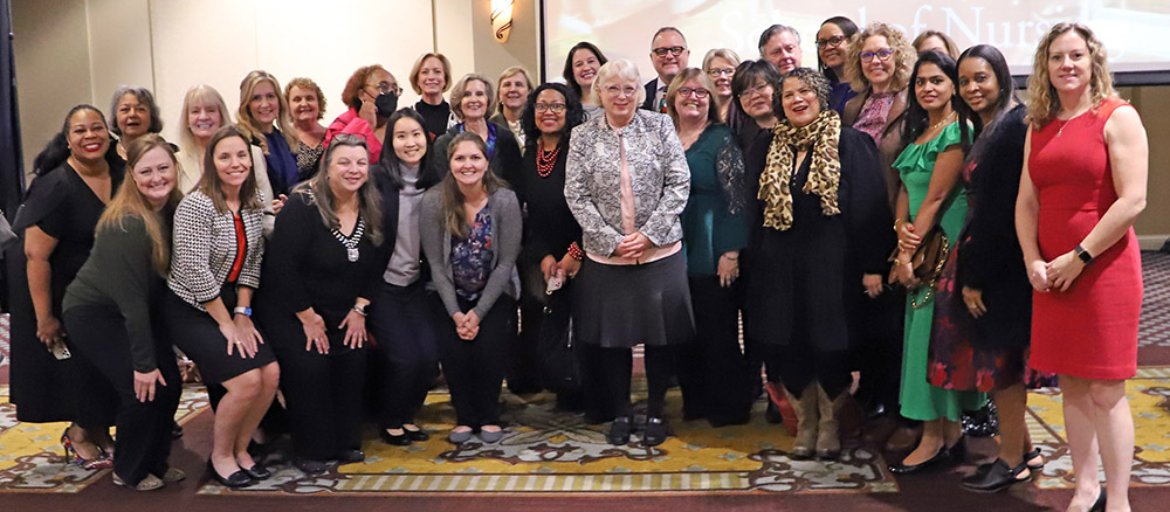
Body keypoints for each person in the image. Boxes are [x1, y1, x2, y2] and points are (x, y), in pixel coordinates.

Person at [1017, 23, 1147, 511]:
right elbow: (1026, 201)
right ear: (1044, 66)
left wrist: (1080, 256)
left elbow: (1133, 199)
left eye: (1075, 56)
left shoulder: (1119, 116)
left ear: (1092, 60)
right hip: (1052, 274)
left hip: (1103, 269)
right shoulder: (1039, 123)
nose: (1066, 65)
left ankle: (1117, 499)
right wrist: (1032, 257)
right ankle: (1085, 487)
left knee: (1106, 387)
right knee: (1070, 383)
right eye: (1056, 57)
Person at [745, 67, 891, 460]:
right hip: (778, 267)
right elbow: (752, 211)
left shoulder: (851, 142)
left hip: (833, 265)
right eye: (789, 94)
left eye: (805, 91)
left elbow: (869, 208)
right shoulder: (765, 145)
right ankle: (805, 423)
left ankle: (829, 423)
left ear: (821, 97)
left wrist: (873, 264)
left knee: (830, 347)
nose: (797, 99)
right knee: (788, 346)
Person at [923, 44, 1048, 493]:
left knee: (1003, 368)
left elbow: (1000, 213)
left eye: (982, 78)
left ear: (1001, 77)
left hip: (1001, 267)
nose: (973, 88)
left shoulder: (1014, 127)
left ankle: (1011, 459)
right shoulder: (990, 126)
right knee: (998, 363)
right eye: (966, 81)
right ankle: (1026, 450)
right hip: (991, 259)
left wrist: (975, 278)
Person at [565, 59, 694, 447]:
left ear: (640, 92)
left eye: (629, 88)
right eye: (613, 88)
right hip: (608, 256)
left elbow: (678, 182)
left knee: (660, 338)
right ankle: (621, 411)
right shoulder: (582, 136)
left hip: (660, 253)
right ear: (598, 92)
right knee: (614, 340)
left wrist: (650, 234)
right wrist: (610, 239)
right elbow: (576, 193)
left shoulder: (660, 126)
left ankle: (655, 410)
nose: (622, 96)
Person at [255, 134, 385, 474]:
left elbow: (378, 263)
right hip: (292, 308)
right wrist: (308, 317)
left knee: (353, 358)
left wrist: (360, 310)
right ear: (327, 166)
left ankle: (345, 440)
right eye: (344, 162)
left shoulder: (373, 205)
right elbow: (282, 268)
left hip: (345, 309)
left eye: (360, 162)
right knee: (311, 364)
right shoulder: (302, 206)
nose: (353, 170)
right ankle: (311, 445)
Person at [61, 134, 185, 491]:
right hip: (95, 312)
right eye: (146, 171)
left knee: (170, 384)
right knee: (141, 389)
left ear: (175, 168)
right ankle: (128, 469)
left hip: (137, 308)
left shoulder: (171, 209)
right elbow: (131, 302)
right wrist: (144, 364)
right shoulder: (128, 224)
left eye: (163, 168)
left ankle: (155, 463)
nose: (156, 177)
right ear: (132, 175)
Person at [164, 125, 280, 488]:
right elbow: (194, 269)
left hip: (230, 303)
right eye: (225, 156)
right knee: (246, 381)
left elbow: (252, 262)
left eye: (241, 155)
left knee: (271, 373)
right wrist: (225, 323)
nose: (235, 163)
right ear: (211, 162)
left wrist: (243, 314)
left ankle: (242, 450)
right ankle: (221, 456)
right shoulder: (195, 205)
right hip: (190, 307)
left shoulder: (251, 202)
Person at [887, 50, 985, 475]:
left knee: (935, 339)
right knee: (926, 338)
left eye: (937, 81)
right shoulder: (924, 130)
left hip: (944, 246)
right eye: (921, 82)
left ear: (953, 86)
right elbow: (907, 188)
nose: (928, 88)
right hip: (919, 238)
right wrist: (899, 229)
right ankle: (946, 435)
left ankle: (934, 438)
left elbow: (938, 196)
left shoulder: (957, 130)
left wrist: (908, 252)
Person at [9, 104, 123, 470]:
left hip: (104, 292)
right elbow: (35, 256)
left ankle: (101, 431)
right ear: (69, 140)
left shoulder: (121, 174)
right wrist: (45, 317)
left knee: (107, 365)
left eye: (97, 128)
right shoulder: (56, 185)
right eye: (80, 131)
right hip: (59, 293)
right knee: (80, 369)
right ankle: (78, 434)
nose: (90, 136)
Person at [420, 133, 522, 445]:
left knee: (489, 349)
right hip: (448, 292)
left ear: (486, 162)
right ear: (449, 164)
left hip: (495, 292)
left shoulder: (505, 199)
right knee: (454, 351)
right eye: (460, 158)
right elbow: (436, 264)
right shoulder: (434, 200)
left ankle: (489, 414)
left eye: (475, 158)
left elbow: (506, 263)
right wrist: (456, 314)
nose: (468, 165)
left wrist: (476, 315)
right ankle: (465, 416)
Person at [666, 68, 752, 427]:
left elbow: (736, 199)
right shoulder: (662, 135)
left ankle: (730, 405)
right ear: (671, 98)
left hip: (711, 242)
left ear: (712, 101)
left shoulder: (721, 138)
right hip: (670, 246)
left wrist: (730, 252)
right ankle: (695, 399)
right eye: (684, 91)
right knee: (681, 330)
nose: (693, 97)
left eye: (701, 92)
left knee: (717, 330)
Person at [369, 109, 444, 446]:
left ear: (426, 138)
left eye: (415, 134)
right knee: (403, 357)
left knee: (428, 357)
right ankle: (391, 418)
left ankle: (408, 414)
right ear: (390, 142)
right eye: (401, 136)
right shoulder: (376, 180)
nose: (409, 142)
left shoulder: (438, 181)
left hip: (417, 284)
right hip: (382, 285)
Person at [515, 83, 587, 409]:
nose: (549, 112)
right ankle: (557, 382)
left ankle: (584, 389)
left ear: (570, 111)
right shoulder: (530, 154)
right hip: (543, 254)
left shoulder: (582, 151)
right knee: (546, 321)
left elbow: (598, 207)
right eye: (542, 106)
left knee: (582, 324)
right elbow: (529, 212)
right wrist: (544, 255)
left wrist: (574, 253)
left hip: (585, 250)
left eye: (557, 106)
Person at [842, 22, 916, 201]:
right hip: (859, 202)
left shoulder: (914, 101)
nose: (875, 61)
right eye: (867, 55)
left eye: (883, 53)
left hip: (896, 201)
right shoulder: (851, 107)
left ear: (898, 57)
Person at [175, 85, 276, 210]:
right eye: (195, 111)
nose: (203, 117)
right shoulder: (176, 163)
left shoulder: (253, 154)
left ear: (221, 116)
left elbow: (266, 209)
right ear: (187, 120)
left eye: (210, 110)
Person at [431, 74, 523, 188]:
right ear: (459, 102)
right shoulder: (444, 143)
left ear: (488, 100)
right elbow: (442, 187)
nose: (473, 100)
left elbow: (517, 185)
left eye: (479, 94)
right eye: (467, 95)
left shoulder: (506, 139)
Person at [237, 70, 299, 197]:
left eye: (270, 96)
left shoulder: (288, 139)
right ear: (247, 104)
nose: (265, 104)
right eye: (256, 98)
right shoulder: (243, 142)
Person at [325, 65, 401, 166]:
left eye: (395, 90)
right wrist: (364, 125)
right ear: (362, 94)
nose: (391, 93)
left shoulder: (398, 125)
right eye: (383, 87)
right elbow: (334, 162)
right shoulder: (341, 125)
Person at [729, 59, 782, 154]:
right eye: (745, 93)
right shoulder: (737, 142)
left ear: (776, 86)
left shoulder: (797, 128)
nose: (754, 96)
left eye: (760, 87)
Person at [285, 77, 328, 179]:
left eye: (309, 98)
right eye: (297, 100)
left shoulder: (333, 136)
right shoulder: (283, 140)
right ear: (287, 106)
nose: (304, 104)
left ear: (319, 103)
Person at [816, 16, 860, 113]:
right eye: (822, 43)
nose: (828, 47)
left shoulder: (870, 86)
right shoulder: (821, 92)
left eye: (835, 40)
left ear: (853, 42)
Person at [410, 52, 456, 141]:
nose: (431, 77)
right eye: (425, 72)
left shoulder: (458, 116)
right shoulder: (407, 116)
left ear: (445, 79)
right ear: (417, 80)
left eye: (437, 71)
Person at [110, 86, 164, 161]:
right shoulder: (105, 155)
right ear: (115, 117)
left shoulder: (167, 152)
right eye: (125, 109)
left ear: (152, 116)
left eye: (140, 109)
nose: (132, 114)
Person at [642, 27, 690, 112]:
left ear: (687, 54)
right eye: (661, 51)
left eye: (676, 50)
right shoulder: (641, 96)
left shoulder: (703, 94)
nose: (669, 56)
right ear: (651, 57)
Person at [490, 66, 534, 150]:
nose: (513, 89)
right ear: (499, 94)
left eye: (518, 84)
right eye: (507, 85)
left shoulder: (538, 126)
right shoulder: (490, 129)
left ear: (529, 92)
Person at [563, 42, 608, 120]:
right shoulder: (566, 109)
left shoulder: (616, 102)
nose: (586, 68)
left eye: (591, 61)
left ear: (602, 64)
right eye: (579, 64)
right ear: (572, 72)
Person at [701, 48, 742, 122]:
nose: (723, 77)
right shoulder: (699, 110)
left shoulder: (746, 110)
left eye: (729, 71)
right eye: (715, 72)